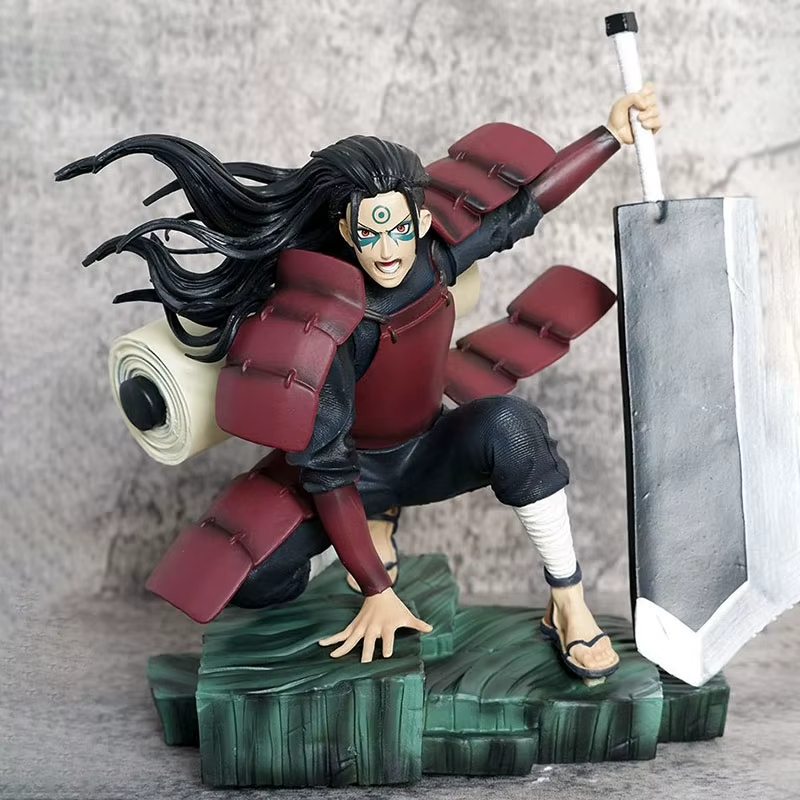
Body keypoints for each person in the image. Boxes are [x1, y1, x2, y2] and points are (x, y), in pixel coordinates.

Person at [56, 84, 660, 678]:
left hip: (426, 447)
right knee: (256, 581)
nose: (387, 249)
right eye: (369, 233)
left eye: (398, 229)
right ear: (347, 233)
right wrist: (375, 588)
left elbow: (524, 211)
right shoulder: (329, 323)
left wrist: (609, 135)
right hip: (349, 474)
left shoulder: (437, 260)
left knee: (514, 426)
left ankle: (568, 602)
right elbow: (327, 468)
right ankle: (375, 518)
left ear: (422, 222)